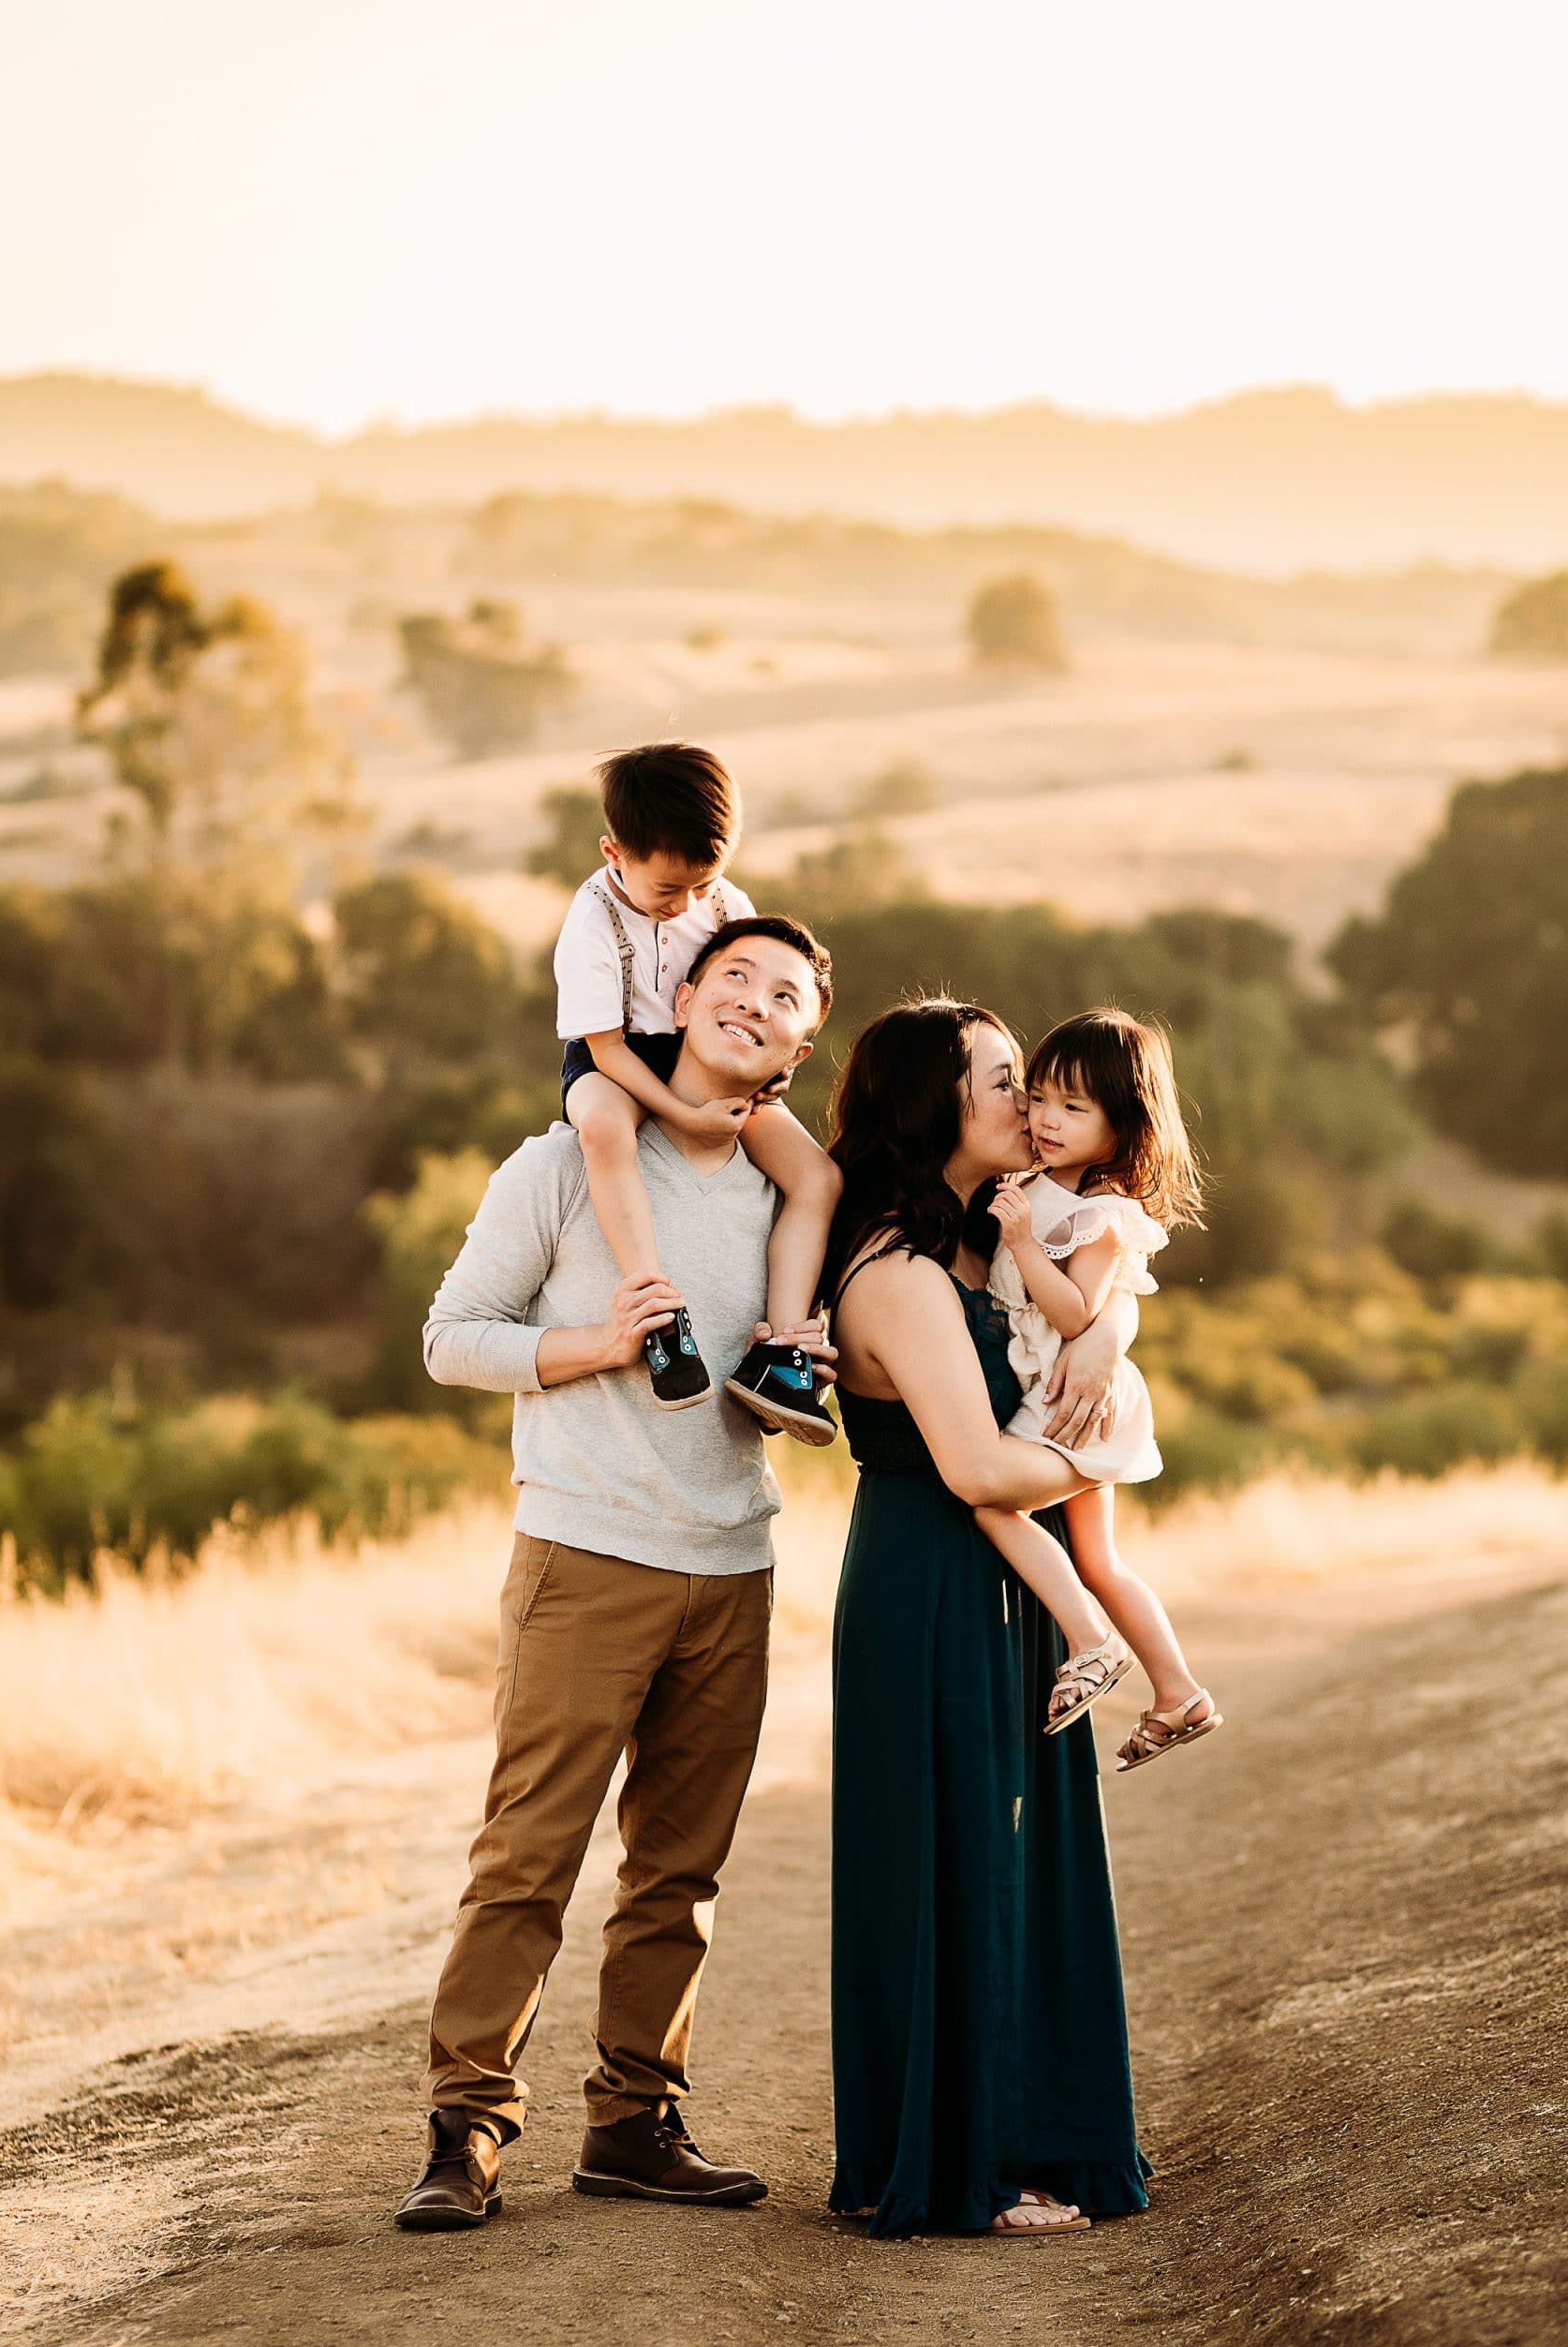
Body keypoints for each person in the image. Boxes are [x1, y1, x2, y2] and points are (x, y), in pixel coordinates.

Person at [394, 914, 836, 2233]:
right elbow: (451, 1338)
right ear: (684, 994)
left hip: (735, 1561)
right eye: (738, 977)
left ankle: (634, 2123)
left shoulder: (785, 1191)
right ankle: (465, 2130)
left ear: (801, 1046)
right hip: (585, 1554)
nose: (757, 1001)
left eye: (789, 996)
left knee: (679, 1874)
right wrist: (594, 1342)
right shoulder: (563, 1162)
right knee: (528, 1859)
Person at [823, 999, 1153, 2238]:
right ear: (937, 1103)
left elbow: (1091, 1312)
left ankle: (1037, 2132)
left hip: (997, 1577)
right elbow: (971, 1467)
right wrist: (1111, 1456)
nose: (1031, 1102)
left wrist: (1107, 1332)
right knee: (953, 1857)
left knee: (1020, 1857)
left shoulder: (974, 1245)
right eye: (1004, 1079)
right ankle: (964, 2155)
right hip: (929, 1577)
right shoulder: (897, 1270)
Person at [552, 740, 839, 1442]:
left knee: (818, 1178)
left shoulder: (720, 899)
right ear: (614, 852)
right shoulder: (591, 922)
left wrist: (769, 1071)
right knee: (604, 1132)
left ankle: (783, 1349)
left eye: (702, 887)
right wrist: (686, 1115)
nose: (688, 905)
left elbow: (753, 991)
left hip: (708, 1058)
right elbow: (606, 1047)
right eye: (668, 892)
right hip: (616, 1063)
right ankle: (659, 1317)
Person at [976, 1008, 1222, 1770]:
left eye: (1073, 1108)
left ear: (1120, 1129)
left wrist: (1019, 1240)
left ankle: (1090, 1642)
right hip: (1063, 1392)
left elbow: (1078, 1311)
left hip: (1069, 1402)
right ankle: (1179, 1692)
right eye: (1040, 1096)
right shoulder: (1030, 1181)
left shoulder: (1102, 1215)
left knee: (991, 1500)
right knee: (1100, 1560)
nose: (1046, 1119)